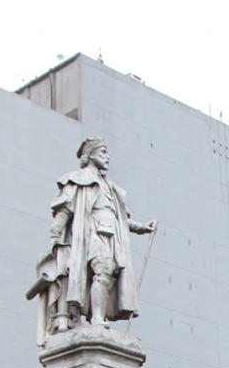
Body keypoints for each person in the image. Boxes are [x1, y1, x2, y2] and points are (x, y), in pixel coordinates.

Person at [28, 137, 156, 339]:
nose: (108, 157)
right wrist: (54, 236)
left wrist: (141, 228)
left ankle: (99, 317)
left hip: (112, 237)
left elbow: (119, 218)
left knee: (109, 276)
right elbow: (64, 210)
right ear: (90, 154)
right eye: (103, 152)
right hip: (91, 234)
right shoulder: (78, 179)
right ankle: (96, 318)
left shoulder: (110, 187)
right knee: (102, 270)